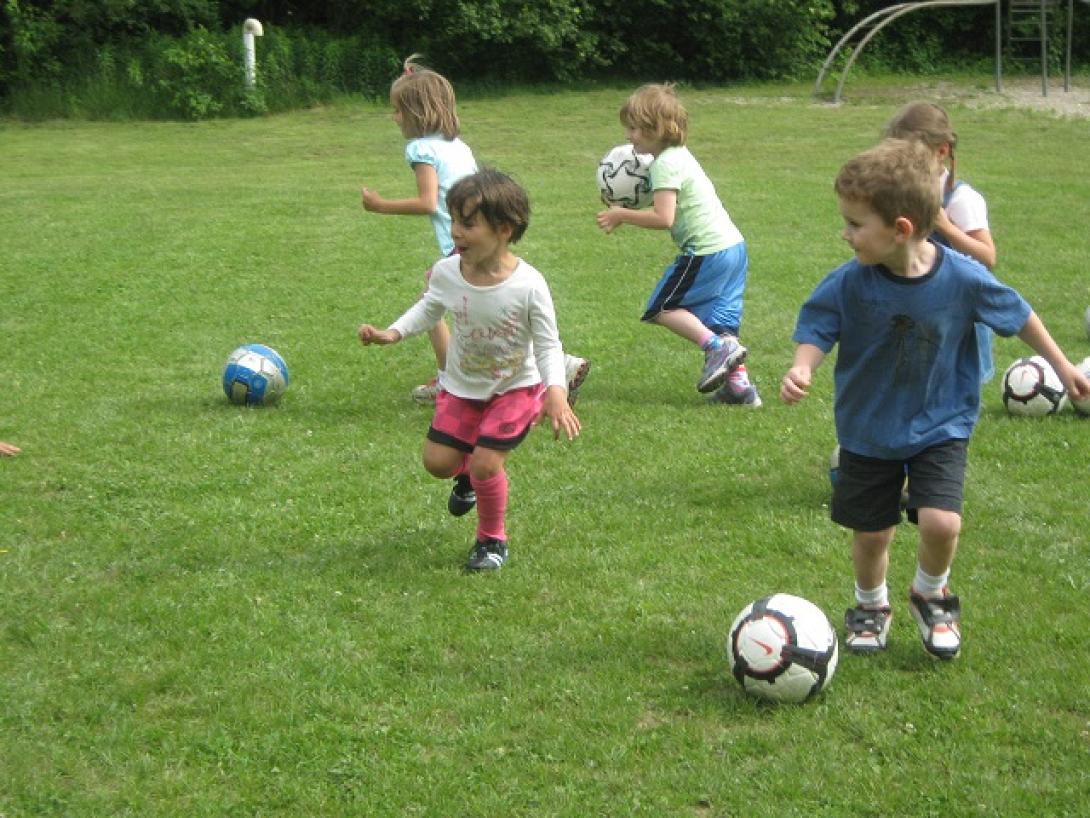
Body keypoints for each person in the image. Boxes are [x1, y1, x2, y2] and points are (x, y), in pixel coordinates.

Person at [780, 138, 1090, 660]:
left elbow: (1018, 315)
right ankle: (870, 605)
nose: (845, 233)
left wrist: (1062, 366)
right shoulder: (850, 283)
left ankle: (930, 591)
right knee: (873, 532)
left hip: (941, 421)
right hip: (868, 426)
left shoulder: (964, 278)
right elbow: (818, 324)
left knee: (942, 521)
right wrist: (801, 367)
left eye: (856, 224)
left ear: (900, 229)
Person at [358, 169, 581, 571]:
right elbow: (429, 307)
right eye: (454, 220)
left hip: (515, 388)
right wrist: (392, 333)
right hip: (461, 388)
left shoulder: (529, 284)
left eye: (468, 223)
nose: (456, 232)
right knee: (438, 463)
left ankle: (491, 540)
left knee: (485, 463)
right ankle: (472, 480)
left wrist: (556, 393)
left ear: (504, 230)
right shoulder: (447, 271)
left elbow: (548, 344)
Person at [361, 54, 591, 405]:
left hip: (463, 243)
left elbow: (427, 202)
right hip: (483, 238)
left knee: (436, 300)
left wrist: (380, 206)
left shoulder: (420, 149)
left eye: (397, 110)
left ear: (415, 112)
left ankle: (450, 378)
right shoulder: (458, 144)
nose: (394, 118)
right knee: (488, 307)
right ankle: (555, 364)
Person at [595, 83, 757, 406]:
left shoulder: (664, 164)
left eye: (634, 128)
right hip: (734, 247)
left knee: (663, 308)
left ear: (657, 128)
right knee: (720, 320)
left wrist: (621, 214)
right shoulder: (678, 156)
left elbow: (663, 217)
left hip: (707, 250)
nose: (628, 135)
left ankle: (716, 348)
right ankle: (739, 388)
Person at [885, 101, 998, 383]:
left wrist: (947, 228)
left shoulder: (961, 199)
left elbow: (987, 257)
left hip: (957, 314)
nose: (905, 164)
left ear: (942, 151)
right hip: (919, 311)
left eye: (912, 156)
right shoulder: (905, 193)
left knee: (955, 388)